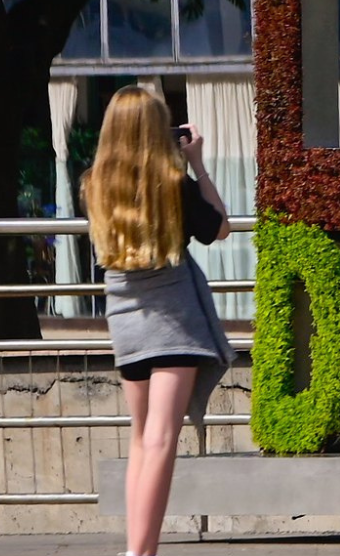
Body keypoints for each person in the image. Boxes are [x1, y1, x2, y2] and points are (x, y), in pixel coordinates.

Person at [85, 86, 233, 556]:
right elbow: (219, 228)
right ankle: (140, 553)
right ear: (156, 132)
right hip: (175, 323)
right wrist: (199, 165)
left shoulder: (93, 183)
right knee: (163, 438)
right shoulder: (173, 183)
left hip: (126, 323)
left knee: (141, 438)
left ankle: (137, 547)